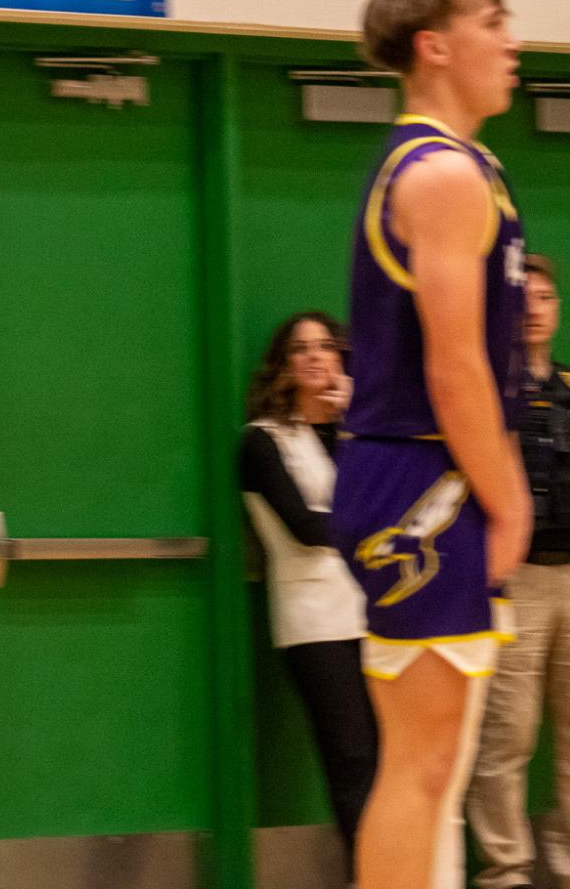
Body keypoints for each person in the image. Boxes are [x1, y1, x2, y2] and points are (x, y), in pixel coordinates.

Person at [330, 0, 531, 889]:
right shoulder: (442, 172)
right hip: (423, 480)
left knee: (436, 767)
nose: (512, 41)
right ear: (436, 45)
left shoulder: (461, 164)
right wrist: (509, 498)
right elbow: (455, 369)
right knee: (420, 765)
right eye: (493, 21)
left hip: (422, 476)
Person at [467, 253, 570, 889]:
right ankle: (506, 870)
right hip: (515, 576)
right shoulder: (483, 385)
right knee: (508, 734)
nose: (534, 309)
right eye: (523, 297)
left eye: (546, 298)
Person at [240, 311, 378, 880]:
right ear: (285, 366)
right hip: (315, 623)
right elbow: (307, 528)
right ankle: (370, 873)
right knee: (352, 758)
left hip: (375, 612)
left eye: (326, 346)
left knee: (395, 759)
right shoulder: (263, 442)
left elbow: (384, 498)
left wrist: (353, 424)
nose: (316, 357)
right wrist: (369, 519)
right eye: (302, 349)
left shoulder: (357, 431)